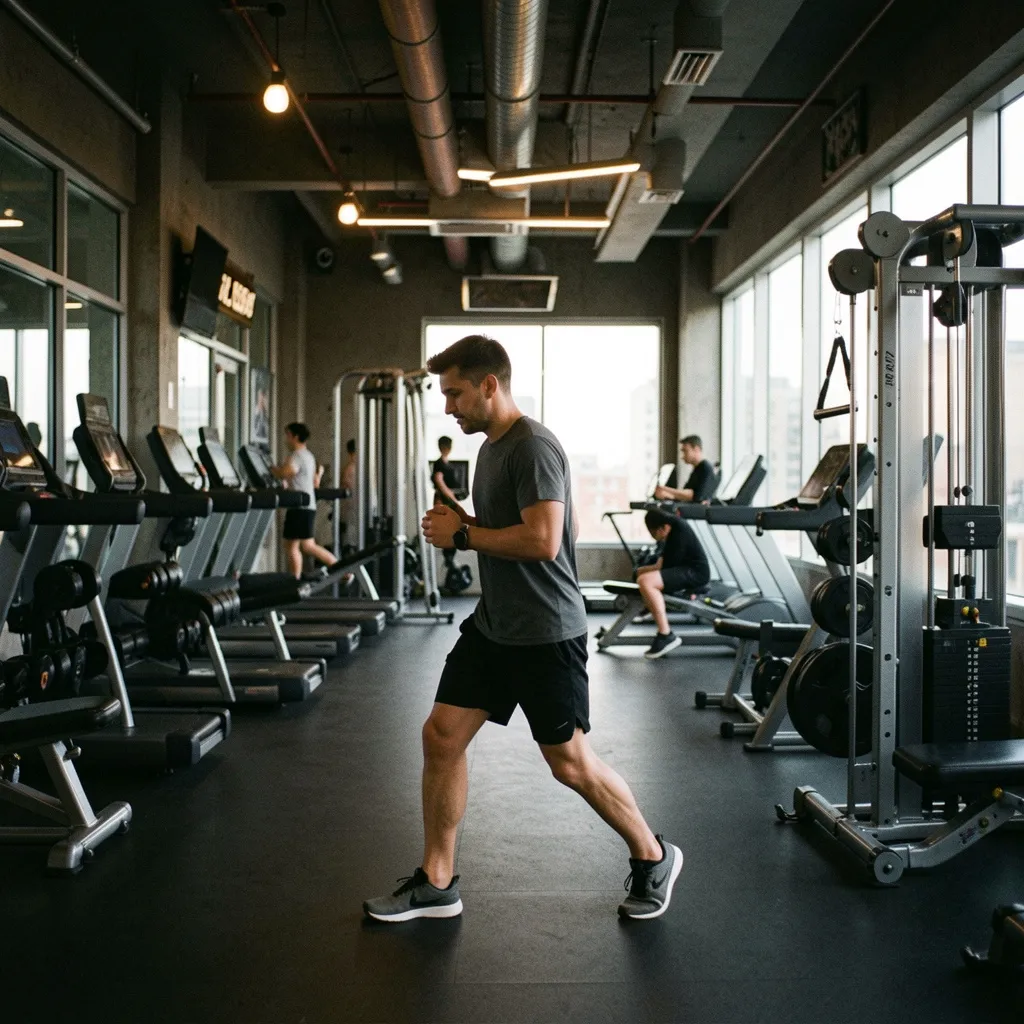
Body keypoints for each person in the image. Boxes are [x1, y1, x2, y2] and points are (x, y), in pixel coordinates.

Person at [363, 335, 682, 924]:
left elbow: (542, 539)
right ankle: (437, 882)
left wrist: (463, 537)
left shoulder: (533, 447)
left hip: (545, 632)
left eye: (456, 393)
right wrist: (469, 522)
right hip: (495, 628)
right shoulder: (492, 447)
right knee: (441, 737)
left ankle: (654, 854)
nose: (449, 406)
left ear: (490, 385)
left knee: (570, 764)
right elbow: (509, 527)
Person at [636, 509, 711, 660]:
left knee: (645, 580)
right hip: (685, 570)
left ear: (662, 528)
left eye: (654, 534)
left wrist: (643, 571)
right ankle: (650, 607)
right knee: (642, 576)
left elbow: (664, 567)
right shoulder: (673, 529)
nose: (655, 539)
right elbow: (661, 565)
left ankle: (665, 634)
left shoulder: (679, 531)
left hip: (696, 573)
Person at [270, 422, 339, 578]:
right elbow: (314, 482)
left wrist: (272, 469)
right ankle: (342, 570)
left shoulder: (297, 455)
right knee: (307, 546)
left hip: (299, 506)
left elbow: (287, 472)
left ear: (295, 436)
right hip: (308, 505)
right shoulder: (309, 455)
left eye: (287, 436)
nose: (285, 440)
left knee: (292, 546)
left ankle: (295, 581)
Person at [654, 434, 717, 503]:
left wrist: (666, 490)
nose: (682, 456)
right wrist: (667, 494)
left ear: (696, 449)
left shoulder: (706, 469)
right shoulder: (697, 469)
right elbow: (686, 495)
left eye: (685, 451)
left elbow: (696, 496)